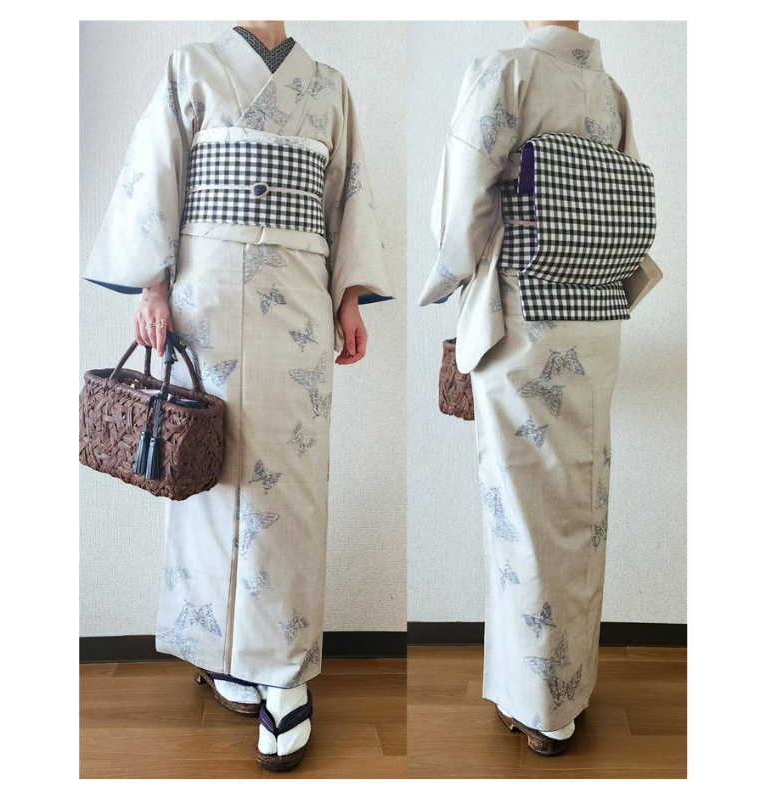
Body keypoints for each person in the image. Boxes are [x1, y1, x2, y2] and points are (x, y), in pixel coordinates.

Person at [83, 20, 395, 771]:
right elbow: (157, 172)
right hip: (207, 295)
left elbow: (346, 197)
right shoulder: (190, 65)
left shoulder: (329, 88)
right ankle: (217, 647)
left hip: (299, 296)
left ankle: (283, 673)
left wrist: (350, 297)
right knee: (209, 472)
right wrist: (152, 286)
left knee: (292, 485)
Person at [418, 21, 647, 756]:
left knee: (523, 509)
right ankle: (567, 687)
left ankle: (540, 706)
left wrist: (454, 276)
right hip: (597, 324)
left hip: (524, 320)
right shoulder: (610, 93)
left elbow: (461, 210)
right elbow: (623, 223)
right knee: (580, 503)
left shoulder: (507, 71)